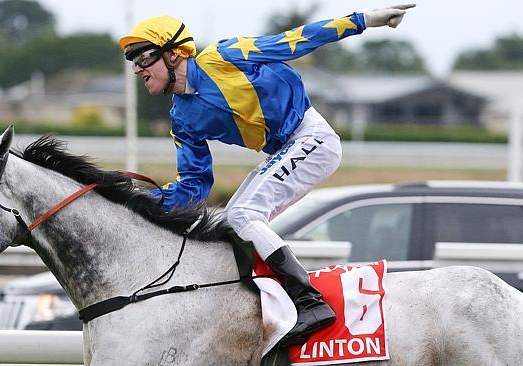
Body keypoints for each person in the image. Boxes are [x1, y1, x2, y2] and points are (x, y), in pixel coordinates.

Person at [119, 4, 415, 346]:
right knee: (230, 221)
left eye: (143, 58)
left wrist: (363, 21)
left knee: (244, 214)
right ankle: (265, 298)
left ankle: (308, 301)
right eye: (134, 62)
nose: (138, 70)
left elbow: (295, 41)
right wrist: (138, 199)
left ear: (173, 55)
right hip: (287, 149)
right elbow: (195, 186)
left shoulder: (223, 56)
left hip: (312, 136)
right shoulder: (182, 119)